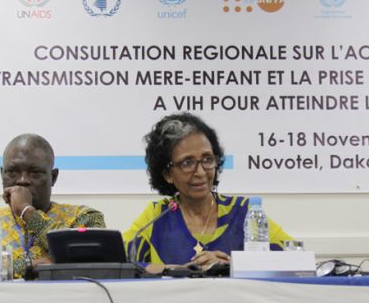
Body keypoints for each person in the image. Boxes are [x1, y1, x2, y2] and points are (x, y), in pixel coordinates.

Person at [124, 112, 292, 273]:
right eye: (187, 163)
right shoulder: (157, 216)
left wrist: (229, 266)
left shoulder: (243, 211)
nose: (201, 172)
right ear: (167, 174)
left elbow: (292, 258)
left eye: (207, 159)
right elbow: (121, 263)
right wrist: (179, 270)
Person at [0, 134, 105, 278]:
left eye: (35, 173)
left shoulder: (84, 217)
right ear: (2, 175)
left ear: (53, 177)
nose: (22, 180)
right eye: (12, 172)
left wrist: (27, 211)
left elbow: (87, 264)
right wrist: (27, 266)